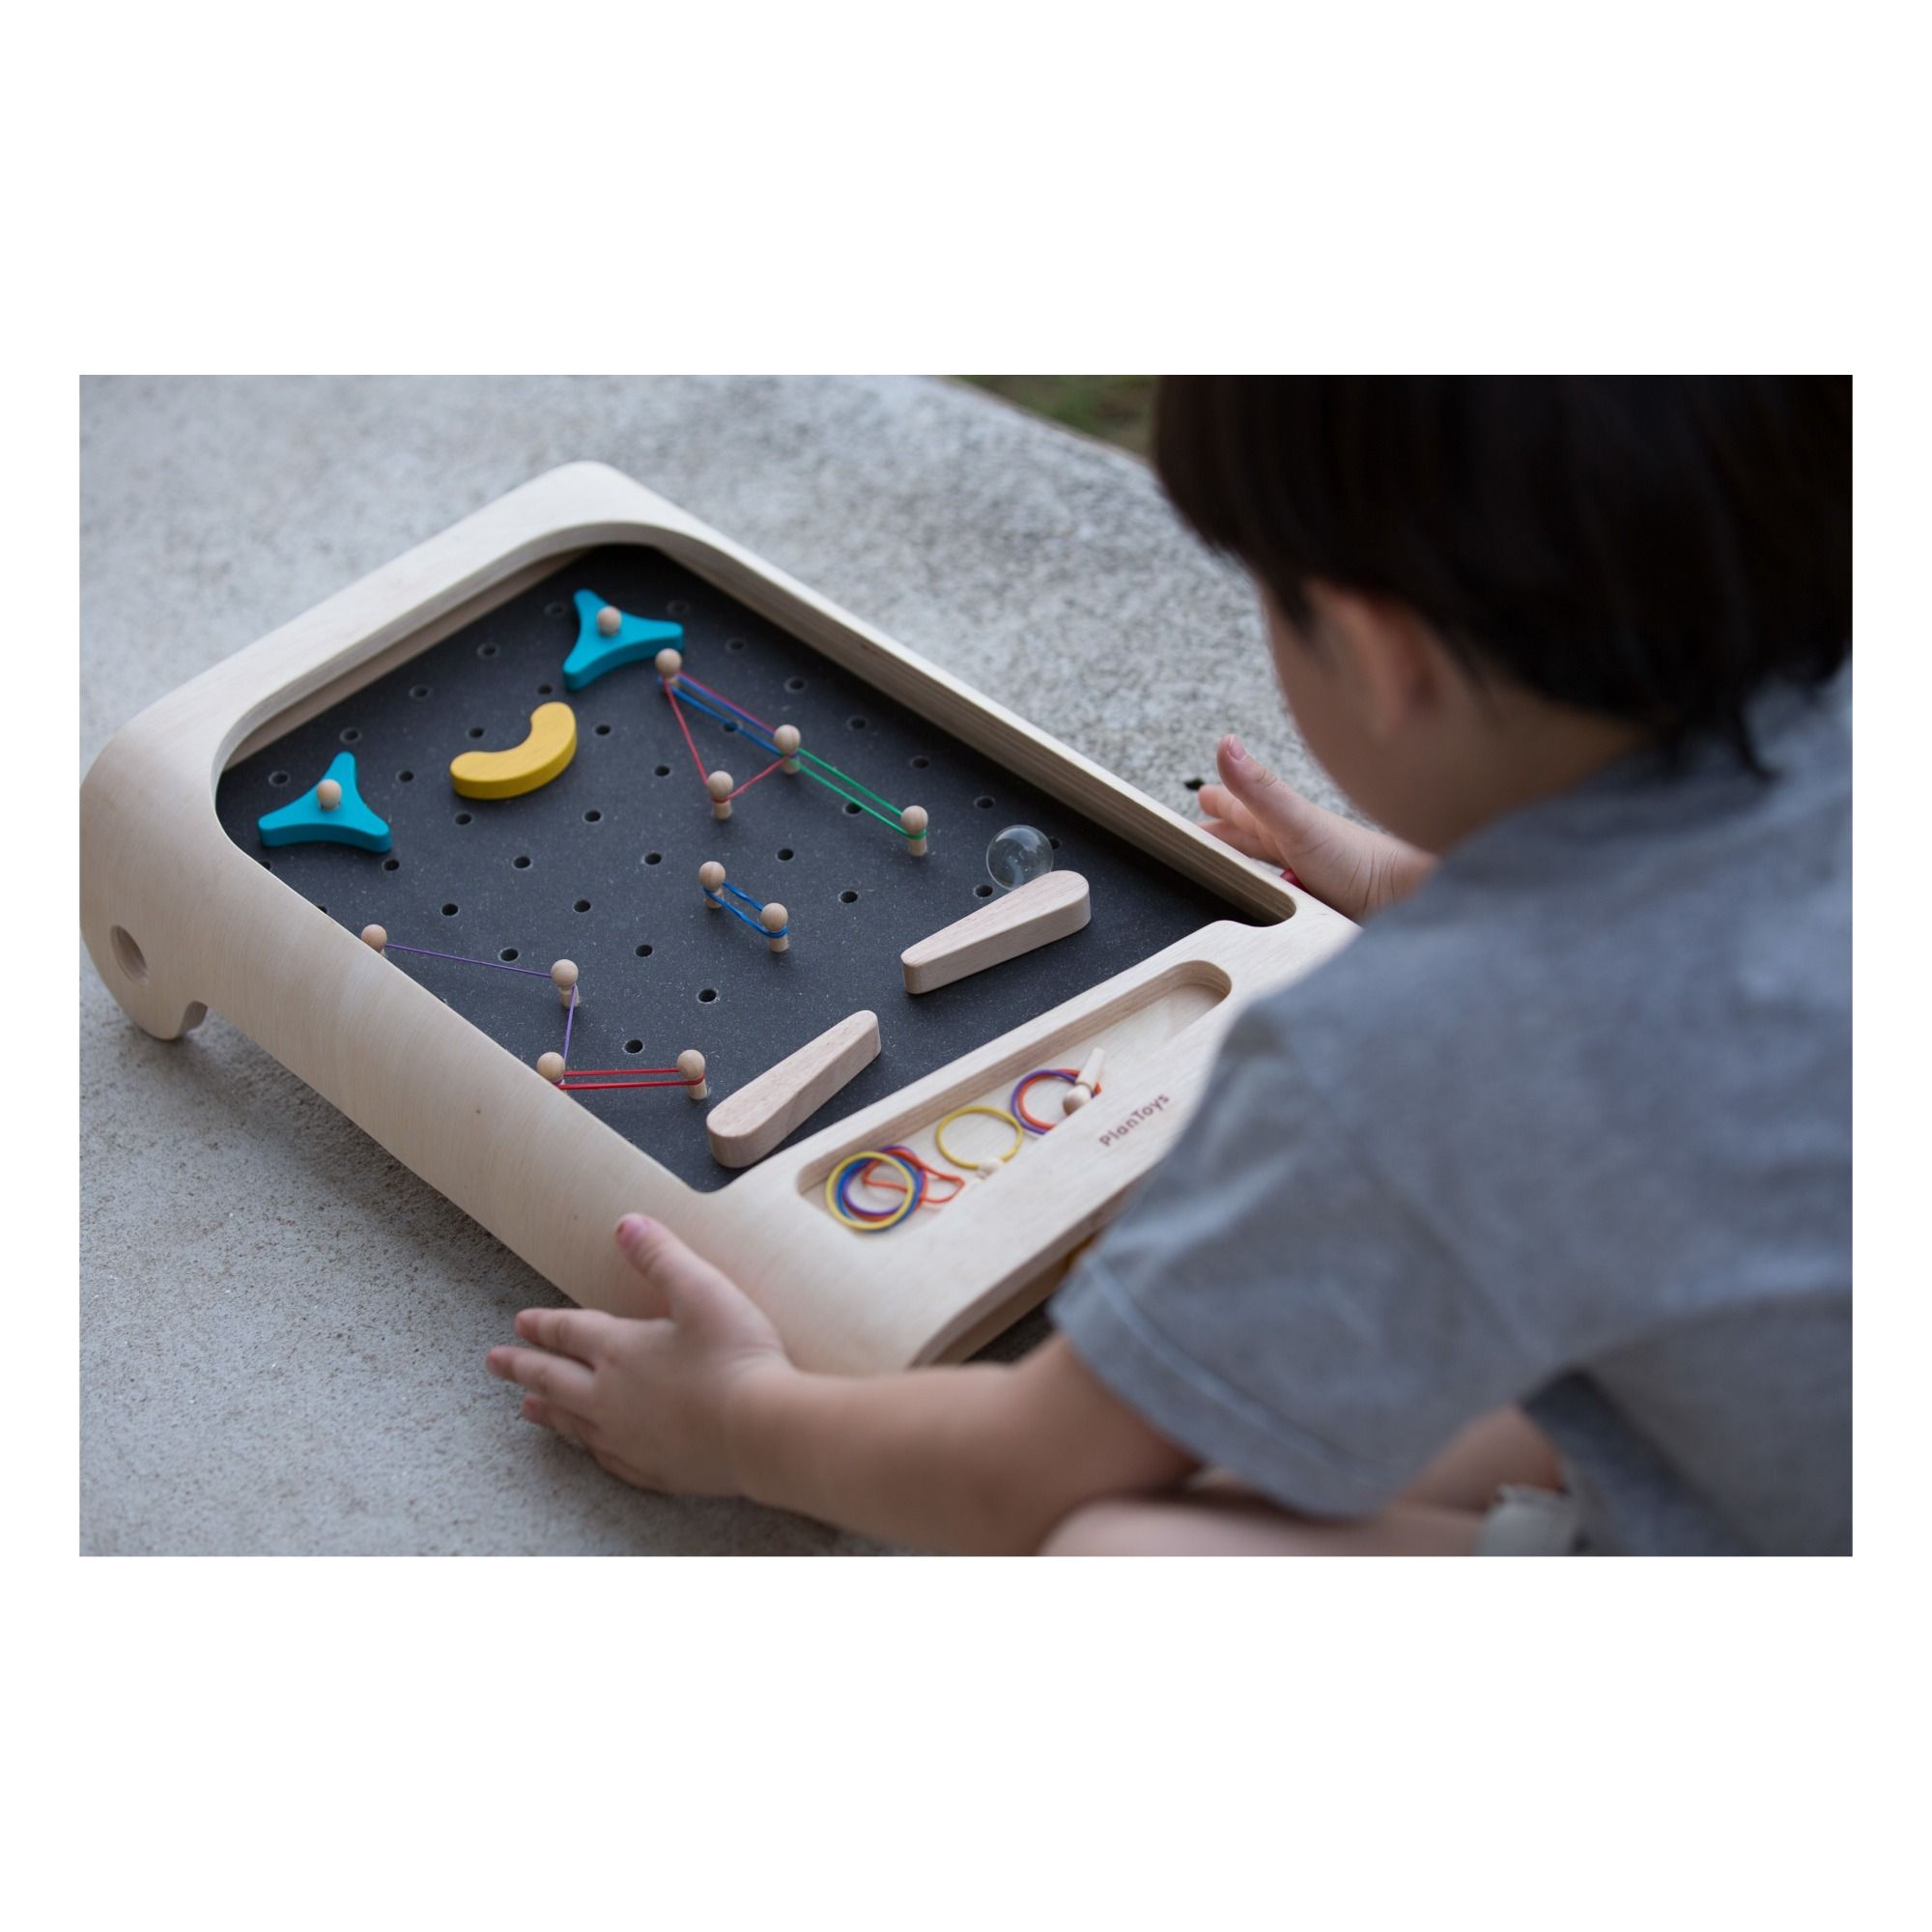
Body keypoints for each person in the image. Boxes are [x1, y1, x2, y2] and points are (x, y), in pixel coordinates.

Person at [487, 376, 1852, 1555]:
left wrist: (740, 1424)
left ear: (1376, 655)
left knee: (1119, 1544)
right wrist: (1394, 882)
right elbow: (1666, 903)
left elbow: (1020, 1474)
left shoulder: (1407, 1054)